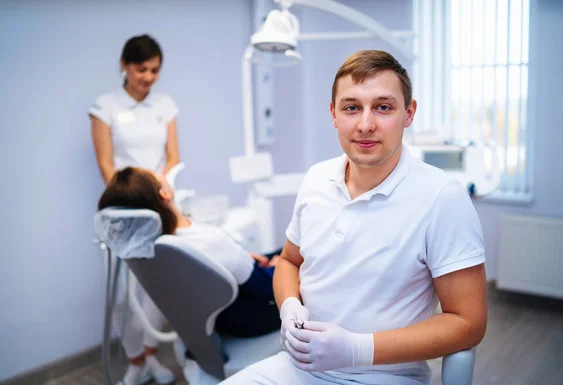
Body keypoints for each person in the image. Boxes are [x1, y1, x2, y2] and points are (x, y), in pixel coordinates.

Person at [219, 50, 488, 385]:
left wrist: (358, 349)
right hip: (295, 368)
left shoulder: (442, 197)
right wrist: (288, 304)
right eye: (351, 108)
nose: (365, 124)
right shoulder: (317, 179)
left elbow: (468, 322)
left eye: (383, 107)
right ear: (334, 114)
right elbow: (289, 261)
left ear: (409, 113)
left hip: (384, 377)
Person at [97, 166, 283, 383]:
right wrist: (281, 266)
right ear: (164, 193)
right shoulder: (208, 240)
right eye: (154, 174)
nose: (161, 173)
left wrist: (245, 258)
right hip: (250, 318)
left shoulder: (158, 247)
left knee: (282, 254)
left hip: (219, 317)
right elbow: (265, 287)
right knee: (299, 255)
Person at [89, 34, 180, 385]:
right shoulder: (105, 107)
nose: (148, 76)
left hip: (161, 206)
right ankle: (136, 361)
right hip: (123, 208)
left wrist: (161, 189)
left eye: (155, 70)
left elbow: (173, 156)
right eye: (141, 68)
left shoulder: (165, 105)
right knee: (123, 294)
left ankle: (154, 357)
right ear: (124, 66)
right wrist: (136, 194)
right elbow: (105, 165)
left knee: (159, 290)